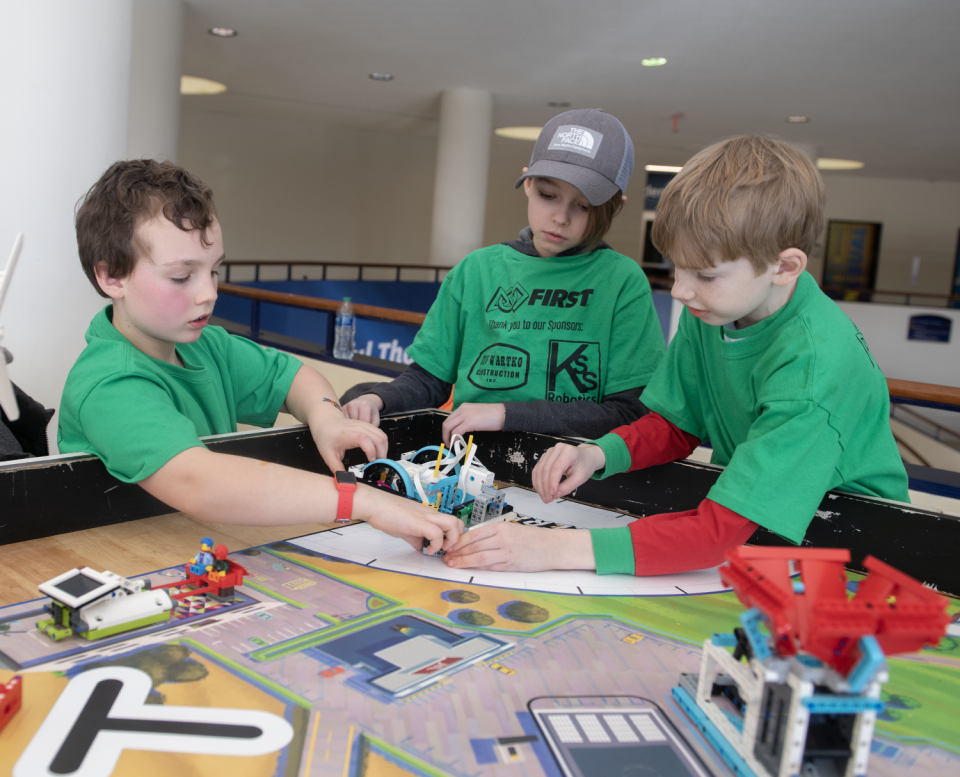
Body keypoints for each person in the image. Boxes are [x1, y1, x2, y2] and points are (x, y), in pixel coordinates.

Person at [443, 135, 909, 575]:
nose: (682, 291)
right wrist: (597, 455)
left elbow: (716, 535)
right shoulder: (717, 306)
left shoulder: (813, 369)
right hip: (755, 524)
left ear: (784, 267)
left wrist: (553, 548)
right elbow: (676, 424)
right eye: (677, 268)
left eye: (705, 274)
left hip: (854, 550)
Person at [58, 160, 461, 554]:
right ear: (112, 277)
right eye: (182, 277)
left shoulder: (206, 345)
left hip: (198, 545)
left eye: (213, 271)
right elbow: (199, 481)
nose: (208, 293)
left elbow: (294, 377)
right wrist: (366, 502)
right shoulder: (109, 382)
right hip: (120, 560)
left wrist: (327, 420)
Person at [343, 109, 665, 444]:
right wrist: (378, 399)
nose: (560, 217)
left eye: (584, 206)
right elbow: (429, 380)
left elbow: (630, 413)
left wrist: (507, 414)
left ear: (616, 206)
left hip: (574, 471)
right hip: (469, 463)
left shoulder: (623, 281)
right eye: (548, 195)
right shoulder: (476, 270)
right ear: (528, 182)